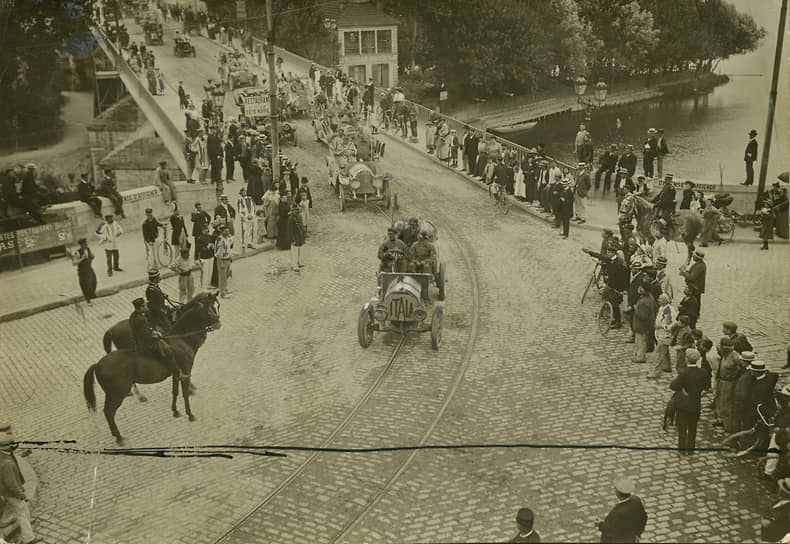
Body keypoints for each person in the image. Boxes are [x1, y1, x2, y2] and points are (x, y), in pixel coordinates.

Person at [0, 430, 39, 544]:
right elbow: (11, 485)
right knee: (22, 512)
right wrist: (21, 495)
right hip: (12, 493)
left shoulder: (3, 456)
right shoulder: (7, 463)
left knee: (21, 512)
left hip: (6, 493)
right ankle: (29, 538)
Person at [129, 298, 181, 378]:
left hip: (139, 340)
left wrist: (153, 331)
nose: (147, 306)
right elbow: (146, 335)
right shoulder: (141, 319)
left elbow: (144, 329)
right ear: (141, 307)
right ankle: (176, 372)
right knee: (167, 349)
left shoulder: (133, 315)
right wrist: (157, 335)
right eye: (145, 305)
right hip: (146, 344)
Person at [669, 348, 707, 454]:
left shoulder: (684, 373)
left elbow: (673, 385)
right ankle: (691, 449)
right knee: (693, 428)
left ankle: (681, 450)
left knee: (682, 429)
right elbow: (706, 386)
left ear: (687, 359)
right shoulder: (702, 372)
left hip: (683, 405)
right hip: (695, 404)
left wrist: (682, 389)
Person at [594, 477, 647, 543]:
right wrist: (637, 534)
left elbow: (609, 530)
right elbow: (643, 518)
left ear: (617, 493)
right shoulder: (636, 500)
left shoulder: (617, 513)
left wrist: (599, 524)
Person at [648, 294, 677, 379]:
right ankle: (666, 367)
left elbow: (671, 325)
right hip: (660, 334)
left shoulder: (669, 311)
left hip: (665, 335)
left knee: (659, 354)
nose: (658, 299)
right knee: (664, 351)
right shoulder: (662, 308)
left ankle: (655, 372)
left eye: (660, 298)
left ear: (666, 300)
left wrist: (660, 326)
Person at [632, 285, 656, 364]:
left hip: (641, 325)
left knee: (641, 341)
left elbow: (643, 316)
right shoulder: (650, 298)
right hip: (646, 324)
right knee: (642, 340)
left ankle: (640, 357)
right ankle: (639, 355)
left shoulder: (643, 302)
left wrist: (636, 309)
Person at [761, 478, 790, 542]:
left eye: (781, 488)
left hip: (775, 538)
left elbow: (786, 528)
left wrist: (770, 524)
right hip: (767, 535)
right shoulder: (779, 501)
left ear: (785, 493)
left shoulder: (788, 509)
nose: (779, 489)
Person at [679, 249, 706, 314]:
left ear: (697, 257)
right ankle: (695, 313)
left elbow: (691, 277)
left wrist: (683, 272)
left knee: (695, 301)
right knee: (696, 300)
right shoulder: (699, 264)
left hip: (695, 287)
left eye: (694, 255)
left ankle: (694, 313)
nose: (693, 256)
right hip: (696, 287)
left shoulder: (699, 266)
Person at [73, 238, 97, 305]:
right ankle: (88, 300)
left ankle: (90, 296)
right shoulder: (77, 252)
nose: (86, 245)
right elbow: (74, 263)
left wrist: (92, 256)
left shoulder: (88, 249)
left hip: (89, 269)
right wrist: (81, 259)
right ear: (81, 245)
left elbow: (91, 256)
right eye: (84, 244)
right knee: (85, 286)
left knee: (93, 283)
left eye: (86, 243)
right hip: (82, 272)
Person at [214, 226, 234, 298]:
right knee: (222, 277)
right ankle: (222, 293)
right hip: (222, 260)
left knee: (226, 276)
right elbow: (217, 253)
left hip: (228, 259)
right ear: (222, 231)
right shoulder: (219, 239)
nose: (227, 232)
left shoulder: (228, 239)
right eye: (226, 231)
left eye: (228, 231)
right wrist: (220, 262)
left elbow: (229, 248)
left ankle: (224, 289)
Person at [288, 204, 305, 272]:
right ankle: (294, 265)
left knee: (299, 250)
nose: (296, 211)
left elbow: (302, 226)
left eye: (297, 210)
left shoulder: (299, 216)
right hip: (294, 236)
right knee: (294, 251)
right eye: (295, 210)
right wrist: (292, 239)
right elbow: (289, 230)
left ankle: (299, 262)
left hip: (299, 236)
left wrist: (303, 235)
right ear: (292, 211)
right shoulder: (291, 218)